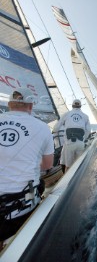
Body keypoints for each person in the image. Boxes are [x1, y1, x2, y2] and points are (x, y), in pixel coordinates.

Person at [0, 88, 54, 249]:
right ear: (31, 106)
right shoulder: (43, 128)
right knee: (41, 186)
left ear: (9, 104)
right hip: (17, 213)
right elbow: (47, 165)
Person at [53, 98, 91, 172]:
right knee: (78, 165)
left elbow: (56, 127)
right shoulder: (85, 116)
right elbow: (88, 130)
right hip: (80, 143)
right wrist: (83, 139)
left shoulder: (66, 114)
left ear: (72, 106)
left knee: (68, 166)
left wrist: (54, 131)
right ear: (80, 106)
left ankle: (66, 181)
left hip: (69, 144)